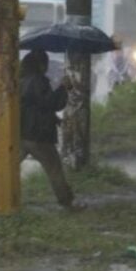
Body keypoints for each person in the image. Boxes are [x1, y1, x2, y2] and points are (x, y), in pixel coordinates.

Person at [20, 49, 82, 211]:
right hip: (40, 136)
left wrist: (55, 119)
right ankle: (67, 202)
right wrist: (63, 88)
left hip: (22, 134)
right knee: (55, 169)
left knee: (9, 167)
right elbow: (51, 104)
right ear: (41, 65)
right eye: (45, 63)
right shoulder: (39, 81)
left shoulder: (21, 80)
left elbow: (33, 106)